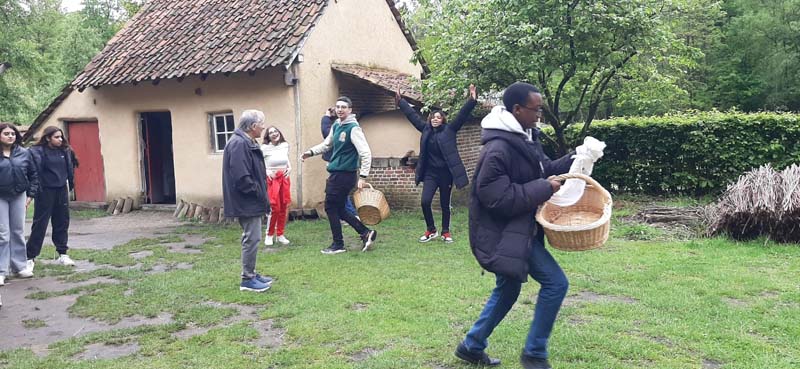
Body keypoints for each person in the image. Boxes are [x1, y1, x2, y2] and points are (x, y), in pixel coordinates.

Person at [454, 82, 574, 369]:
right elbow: (498, 198)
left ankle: (471, 346)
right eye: (536, 110)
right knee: (556, 283)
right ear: (517, 109)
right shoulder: (497, 149)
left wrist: (575, 160)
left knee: (508, 289)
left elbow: (544, 169)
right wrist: (544, 188)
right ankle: (534, 354)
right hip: (504, 233)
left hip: (520, 228)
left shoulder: (526, 137)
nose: (539, 116)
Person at [396, 84, 477, 243]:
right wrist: (400, 101)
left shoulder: (450, 130)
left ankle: (445, 232)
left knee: (445, 205)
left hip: (446, 174)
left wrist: (472, 100)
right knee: (425, 201)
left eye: (438, 117)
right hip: (430, 174)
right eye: (433, 117)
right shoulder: (425, 129)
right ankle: (431, 229)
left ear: (443, 120)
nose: (435, 119)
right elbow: (412, 116)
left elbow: (462, 115)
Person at [302, 96, 377, 255]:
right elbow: (327, 144)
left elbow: (365, 153)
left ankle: (338, 244)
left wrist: (363, 177)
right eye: (338, 107)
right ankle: (365, 233)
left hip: (344, 175)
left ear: (350, 110)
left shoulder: (353, 128)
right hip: (336, 173)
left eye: (344, 107)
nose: (340, 109)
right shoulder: (336, 125)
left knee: (330, 207)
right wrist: (311, 152)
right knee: (340, 209)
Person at [222, 109, 273, 292]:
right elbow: (241, 177)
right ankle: (247, 279)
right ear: (253, 126)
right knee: (251, 239)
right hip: (246, 201)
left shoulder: (246, 141)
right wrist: (259, 193)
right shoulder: (238, 144)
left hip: (251, 200)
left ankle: (251, 273)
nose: (264, 127)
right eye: (262, 124)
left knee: (254, 238)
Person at [25, 126, 76, 273]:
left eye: (61, 137)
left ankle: (63, 254)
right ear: (48, 138)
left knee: (62, 222)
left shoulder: (65, 151)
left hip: (61, 190)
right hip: (44, 191)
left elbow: (70, 168)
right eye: (56, 137)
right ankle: (30, 257)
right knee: (40, 224)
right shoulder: (36, 152)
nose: (60, 140)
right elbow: (32, 172)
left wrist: (70, 184)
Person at [0, 123, 39, 285]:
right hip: (1, 196)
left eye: (13, 134)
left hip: (19, 195)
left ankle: (20, 266)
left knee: (18, 231)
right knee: (3, 234)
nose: (10, 136)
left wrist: (30, 195)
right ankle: (2, 271)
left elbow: (33, 175)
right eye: (6, 133)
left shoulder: (24, 153)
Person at [320, 108, 358, 219]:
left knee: (339, 195)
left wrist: (325, 117)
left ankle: (352, 215)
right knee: (339, 196)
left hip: (341, 168)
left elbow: (325, 131)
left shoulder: (345, 129)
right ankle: (347, 216)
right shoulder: (337, 126)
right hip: (337, 166)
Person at [261, 126, 292, 246]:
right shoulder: (264, 148)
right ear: (268, 136)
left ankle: (280, 234)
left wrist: (289, 167)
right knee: (275, 208)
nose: (274, 134)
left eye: (275, 131)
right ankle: (269, 235)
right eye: (271, 133)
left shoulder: (285, 145)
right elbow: (260, 163)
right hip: (272, 180)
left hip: (284, 179)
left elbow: (286, 158)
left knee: (284, 207)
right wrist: (266, 172)